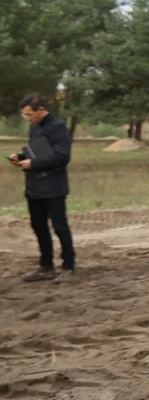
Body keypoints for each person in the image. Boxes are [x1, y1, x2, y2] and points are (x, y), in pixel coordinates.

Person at [9, 95, 76, 282]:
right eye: (25, 116)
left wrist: (34, 164)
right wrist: (21, 157)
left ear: (41, 110)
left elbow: (62, 157)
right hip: (35, 186)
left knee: (59, 226)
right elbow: (36, 152)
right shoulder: (35, 127)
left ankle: (68, 266)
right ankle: (46, 266)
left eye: (30, 114)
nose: (28, 119)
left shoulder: (58, 127)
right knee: (38, 226)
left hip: (54, 186)